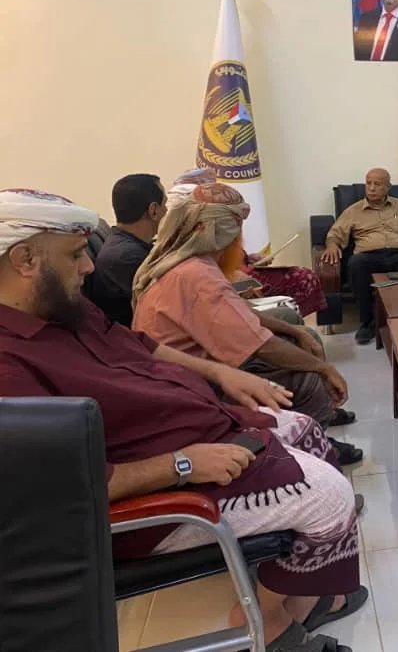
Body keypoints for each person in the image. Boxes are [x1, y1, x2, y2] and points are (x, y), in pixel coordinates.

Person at [0, 188, 368, 652]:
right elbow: (63, 487)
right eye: (75, 254)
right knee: (332, 498)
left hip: (199, 426)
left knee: (306, 429)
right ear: (25, 259)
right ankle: (269, 624)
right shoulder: (8, 366)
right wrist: (183, 463)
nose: (89, 265)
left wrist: (222, 374)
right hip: (157, 491)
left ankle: (303, 587)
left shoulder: (62, 310)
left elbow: (143, 347)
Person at [132, 183, 363, 465]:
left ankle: (313, 424)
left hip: (193, 370)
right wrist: (323, 368)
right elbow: (263, 345)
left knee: (299, 335)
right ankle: (313, 452)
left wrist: (294, 332)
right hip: (195, 389)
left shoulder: (189, 263)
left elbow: (239, 312)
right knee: (307, 379)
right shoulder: (197, 276)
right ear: (225, 234)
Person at [166, 168, 328, 318]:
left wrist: (247, 258)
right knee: (300, 283)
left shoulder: (211, 220)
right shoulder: (190, 224)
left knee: (299, 287)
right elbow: (206, 269)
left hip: (237, 274)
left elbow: (223, 251)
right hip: (227, 281)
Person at [320, 167, 398, 345]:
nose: (371, 188)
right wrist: (332, 245)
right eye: (368, 183)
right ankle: (367, 322)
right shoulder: (353, 211)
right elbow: (335, 234)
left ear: (388, 187)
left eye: (377, 184)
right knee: (356, 263)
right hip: (368, 257)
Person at [87, 173, 166, 326]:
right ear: (154, 210)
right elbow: (169, 302)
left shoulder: (128, 246)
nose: (167, 211)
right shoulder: (127, 258)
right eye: (165, 205)